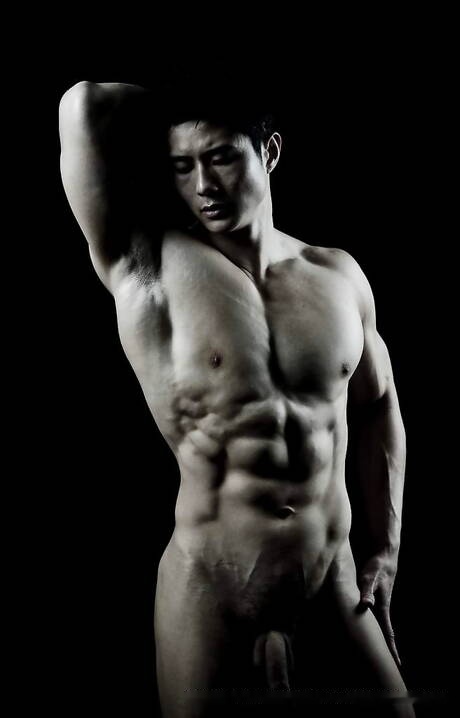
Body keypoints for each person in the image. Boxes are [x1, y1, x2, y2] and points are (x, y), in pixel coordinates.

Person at [59, 79, 415, 717]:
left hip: (332, 582)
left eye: (221, 157)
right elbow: (84, 104)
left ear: (269, 152)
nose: (203, 185)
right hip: (211, 588)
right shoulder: (146, 266)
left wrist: (384, 552)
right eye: (181, 166)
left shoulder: (337, 275)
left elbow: (377, 404)